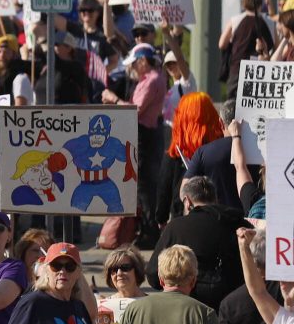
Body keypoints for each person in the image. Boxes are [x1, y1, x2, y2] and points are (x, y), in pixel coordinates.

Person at [146, 177, 250, 311]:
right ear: (216, 199)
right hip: (235, 308)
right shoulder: (240, 224)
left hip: (188, 308)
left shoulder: (177, 227)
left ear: (187, 202)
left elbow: (153, 274)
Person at [102, 44, 167, 248]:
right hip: (146, 133)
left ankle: (150, 231)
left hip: (145, 135)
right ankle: (148, 228)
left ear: (142, 61)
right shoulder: (152, 78)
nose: (133, 68)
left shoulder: (152, 80)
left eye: (135, 63)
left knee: (145, 186)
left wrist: (114, 99)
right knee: (143, 185)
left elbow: (135, 110)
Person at [156, 92, 223, 227]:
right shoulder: (221, 151)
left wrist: (161, 219)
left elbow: (164, 191)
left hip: (182, 224)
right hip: (218, 221)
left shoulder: (174, 155)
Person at [182, 100, 256, 213]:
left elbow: (184, 189)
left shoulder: (203, 152)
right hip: (251, 221)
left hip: (214, 220)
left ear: (220, 123)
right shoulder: (260, 153)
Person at [220, 0, 275, 100]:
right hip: (261, 71)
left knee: (233, 105)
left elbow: (222, 44)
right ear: (260, 5)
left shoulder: (234, 20)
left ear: (243, 5)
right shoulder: (270, 22)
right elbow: (276, 46)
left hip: (237, 68)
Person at [0, 35, 33, 106]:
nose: (2, 55)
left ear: (14, 54)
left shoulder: (20, 77)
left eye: (6, 52)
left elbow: (19, 110)